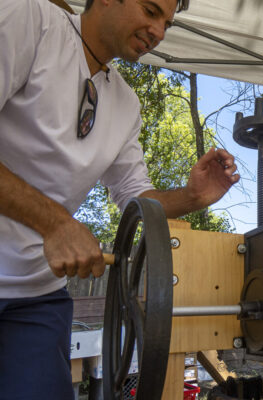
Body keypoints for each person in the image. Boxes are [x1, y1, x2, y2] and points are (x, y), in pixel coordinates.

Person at [0, 0, 240, 398]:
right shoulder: (30, 20)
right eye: (150, 11)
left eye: (167, 22)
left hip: (36, 299)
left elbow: (136, 200)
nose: (159, 31)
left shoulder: (126, 105)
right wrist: (56, 223)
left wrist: (193, 196)